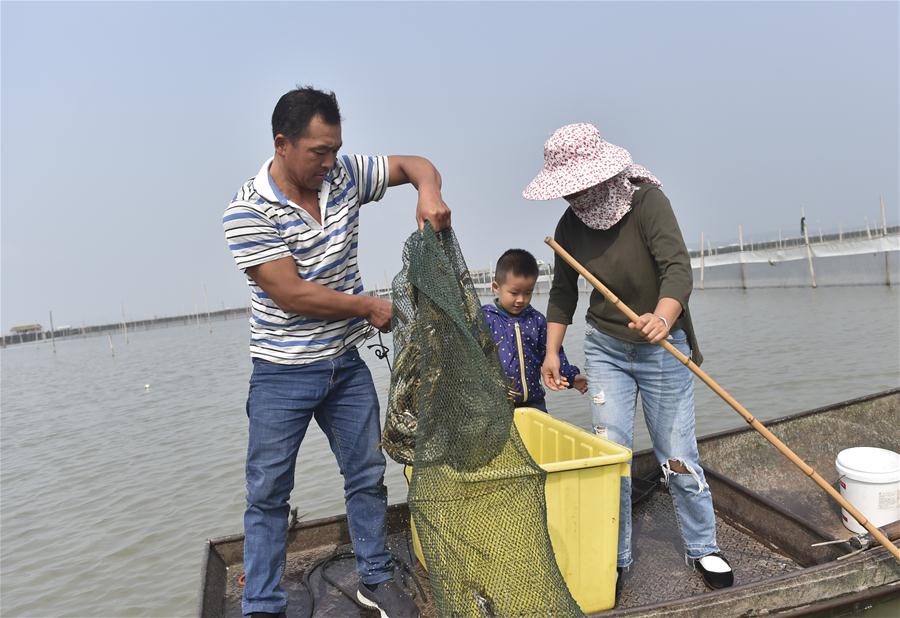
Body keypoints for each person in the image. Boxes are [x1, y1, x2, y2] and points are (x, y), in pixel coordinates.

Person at [223, 86, 450, 618]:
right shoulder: (246, 211)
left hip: (345, 366)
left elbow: (416, 164)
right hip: (282, 372)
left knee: (367, 473)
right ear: (282, 144)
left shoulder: (343, 174)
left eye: (335, 149)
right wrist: (366, 307)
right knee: (268, 492)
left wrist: (428, 193)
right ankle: (262, 604)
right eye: (318, 152)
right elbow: (291, 293)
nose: (330, 162)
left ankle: (374, 576)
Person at [523, 123, 734, 591]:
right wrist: (552, 351)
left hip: (662, 347)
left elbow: (677, 268)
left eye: (578, 186)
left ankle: (703, 548)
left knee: (677, 455)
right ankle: (612, 556)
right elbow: (562, 292)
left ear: (601, 175)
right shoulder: (569, 227)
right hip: (606, 351)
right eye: (567, 189)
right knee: (610, 453)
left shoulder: (647, 203)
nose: (573, 197)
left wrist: (662, 316)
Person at [482, 249, 587, 411]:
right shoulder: (485, 318)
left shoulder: (536, 320)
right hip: (496, 406)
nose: (521, 299)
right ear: (496, 287)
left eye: (528, 293)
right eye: (514, 293)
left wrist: (571, 378)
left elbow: (552, 353)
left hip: (534, 403)